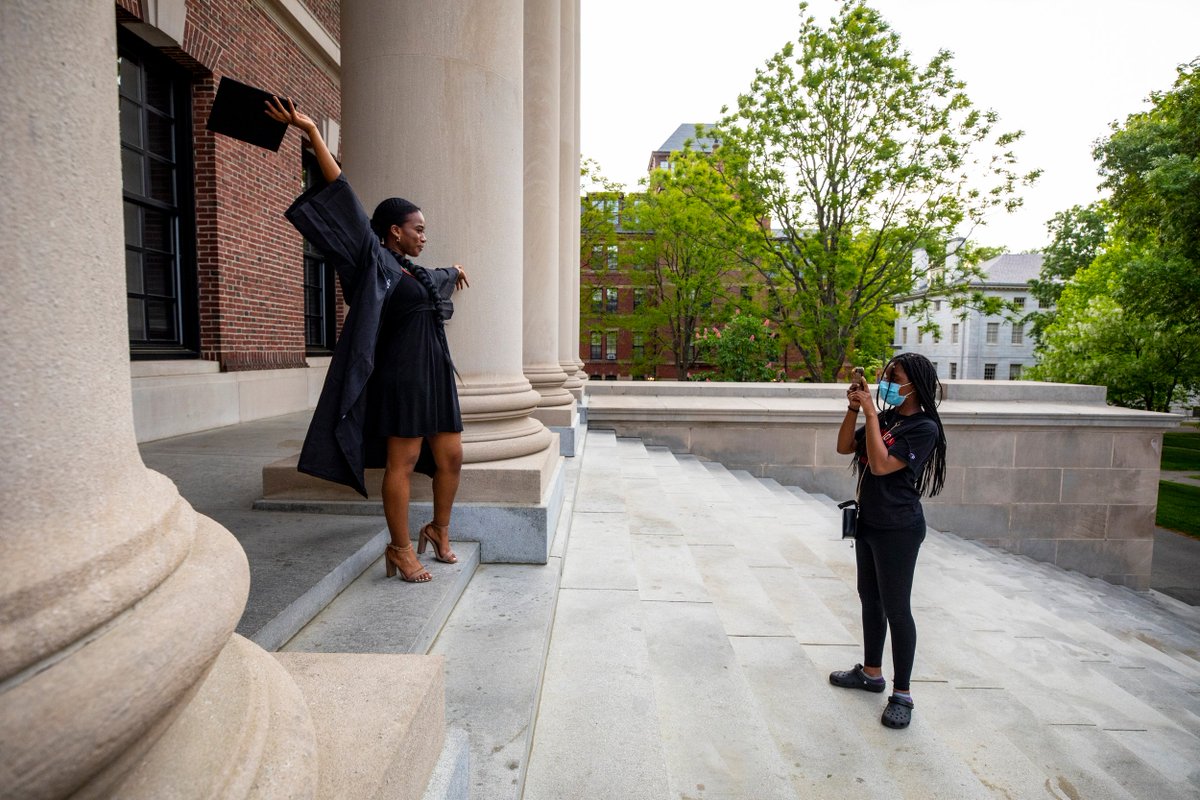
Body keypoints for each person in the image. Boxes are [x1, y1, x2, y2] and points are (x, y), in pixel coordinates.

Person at [265, 96, 469, 584]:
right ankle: (400, 548)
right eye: (417, 229)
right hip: (400, 375)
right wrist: (312, 132)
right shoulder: (372, 261)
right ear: (393, 231)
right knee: (404, 459)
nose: (424, 235)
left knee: (452, 456)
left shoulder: (415, 272)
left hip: (435, 373)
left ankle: (438, 529)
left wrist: (455, 270)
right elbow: (344, 193)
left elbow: (435, 279)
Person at [830, 352, 947, 729]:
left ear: (914, 384)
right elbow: (846, 447)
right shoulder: (891, 418)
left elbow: (881, 465)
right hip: (870, 521)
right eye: (886, 378)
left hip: (899, 528)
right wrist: (853, 410)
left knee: (897, 608)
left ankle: (903, 694)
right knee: (871, 599)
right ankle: (872, 673)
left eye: (894, 379)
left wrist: (871, 415)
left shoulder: (924, 428)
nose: (888, 386)